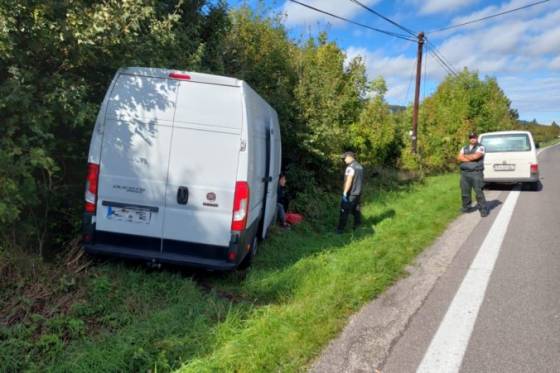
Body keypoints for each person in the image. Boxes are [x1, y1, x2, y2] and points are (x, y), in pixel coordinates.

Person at [457, 132, 489, 217]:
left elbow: (476, 157)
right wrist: (469, 158)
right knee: (465, 192)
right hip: (464, 173)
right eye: (471, 137)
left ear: (477, 138)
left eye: (474, 137)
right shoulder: (464, 147)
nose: (472, 139)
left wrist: (465, 157)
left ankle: (483, 209)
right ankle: (466, 207)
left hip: (476, 173)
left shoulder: (481, 147)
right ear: (469, 139)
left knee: (479, 192)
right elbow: (459, 157)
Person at [336, 151, 363, 233]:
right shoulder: (359, 166)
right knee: (356, 210)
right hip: (358, 193)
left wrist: (345, 192)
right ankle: (357, 227)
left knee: (344, 211)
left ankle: (340, 230)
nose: (344, 160)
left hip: (350, 194)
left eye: (345, 158)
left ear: (350, 157)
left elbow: (349, 181)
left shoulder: (350, 167)